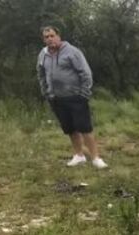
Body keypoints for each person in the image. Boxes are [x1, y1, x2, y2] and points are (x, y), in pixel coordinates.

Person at [37, 25, 107, 169]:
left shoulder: (72, 52)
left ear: (58, 36)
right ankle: (79, 156)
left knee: (85, 128)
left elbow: (85, 73)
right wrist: (46, 92)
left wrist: (84, 93)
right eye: (46, 37)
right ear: (43, 40)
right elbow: (41, 73)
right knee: (70, 129)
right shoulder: (43, 54)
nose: (50, 39)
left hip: (76, 96)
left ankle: (96, 158)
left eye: (52, 35)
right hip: (56, 98)